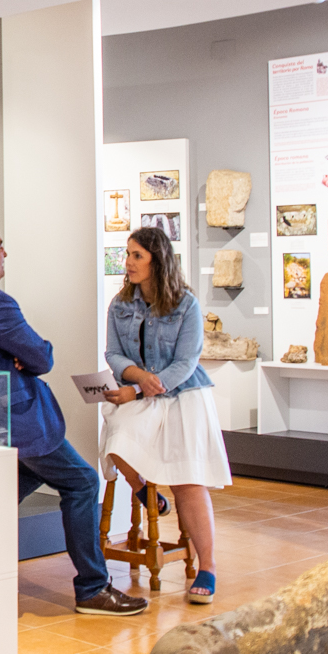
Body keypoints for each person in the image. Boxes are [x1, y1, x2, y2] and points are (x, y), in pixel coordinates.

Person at [0, 218, 147, 616]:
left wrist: (17, 358)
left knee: (9, 489)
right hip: (14, 422)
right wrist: (24, 358)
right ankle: (93, 589)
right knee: (81, 482)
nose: (4, 253)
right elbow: (42, 357)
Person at [100, 226, 232, 604]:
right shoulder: (120, 305)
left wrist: (144, 386)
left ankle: (207, 566)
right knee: (115, 440)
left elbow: (187, 362)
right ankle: (144, 491)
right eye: (127, 254)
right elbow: (113, 354)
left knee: (188, 480)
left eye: (137, 255)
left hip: (182, 394)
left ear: (158, 261)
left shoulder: (185, 304)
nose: (128, 262)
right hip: (141, 391)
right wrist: (138, 378)